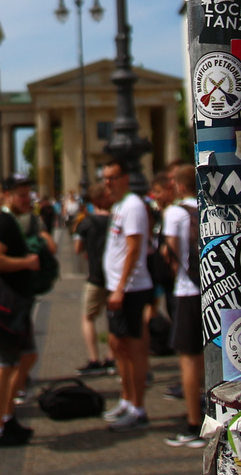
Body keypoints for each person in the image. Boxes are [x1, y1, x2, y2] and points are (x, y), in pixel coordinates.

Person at [0, 173, 41, 449]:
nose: (26, 198)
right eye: (20, 194)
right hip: (5, 306)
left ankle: (7, 416)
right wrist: (26, 263)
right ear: (6, 196)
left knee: (27, 357)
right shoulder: (3, 222)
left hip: (17, 303)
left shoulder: (13, 221)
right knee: (4, 367)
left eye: (28, 193)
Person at [100, 162, 154, 432]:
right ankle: (126, 398)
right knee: (117, 344)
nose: (107, 182)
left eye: (112, 177)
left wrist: (120, 286)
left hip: (131, 288)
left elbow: (133, 249)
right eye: (105, 178)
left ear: (125, 178)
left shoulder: (132, 206)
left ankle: (138, 407)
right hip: (118, 287)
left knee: (133, 349)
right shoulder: (119, 205)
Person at [162, 164, 207, 448]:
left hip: (188, 289)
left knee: (189, 358)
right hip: (214, 291)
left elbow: (170, 253)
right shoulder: (211, 207)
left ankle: (193, 422)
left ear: (179, 186)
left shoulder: (175, 213)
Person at [71, 183, 114, 376]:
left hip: (95, 276)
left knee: (88, 318)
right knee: (112, 318)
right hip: (114, 277)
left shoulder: (86, 222)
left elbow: (77, 249)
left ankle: (95, 359)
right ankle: (112, 357)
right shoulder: (116, 220)